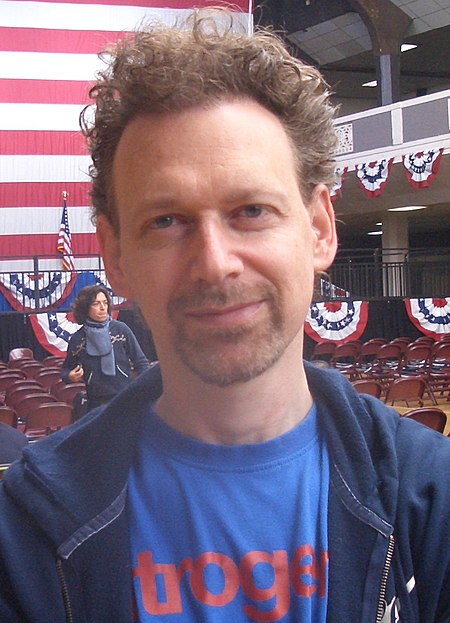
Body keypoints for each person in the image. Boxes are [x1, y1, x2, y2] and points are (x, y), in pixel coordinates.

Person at [0, 9, 449, 623]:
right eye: (167, 221)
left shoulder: (434, 496)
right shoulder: (23, 528)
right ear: (117, 257)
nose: (215, 264)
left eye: (251, 210)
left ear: (319, 229)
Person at [61, 284, 150, 411]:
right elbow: (65, 370)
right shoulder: (78, 339)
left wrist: (146, 388)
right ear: (85, 308)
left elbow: (141, 362)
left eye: (105, 303)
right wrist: (70, 376)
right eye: (96, 304)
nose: (102, 308)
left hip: (125, 398)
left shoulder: (121, 329)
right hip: (96, 402)